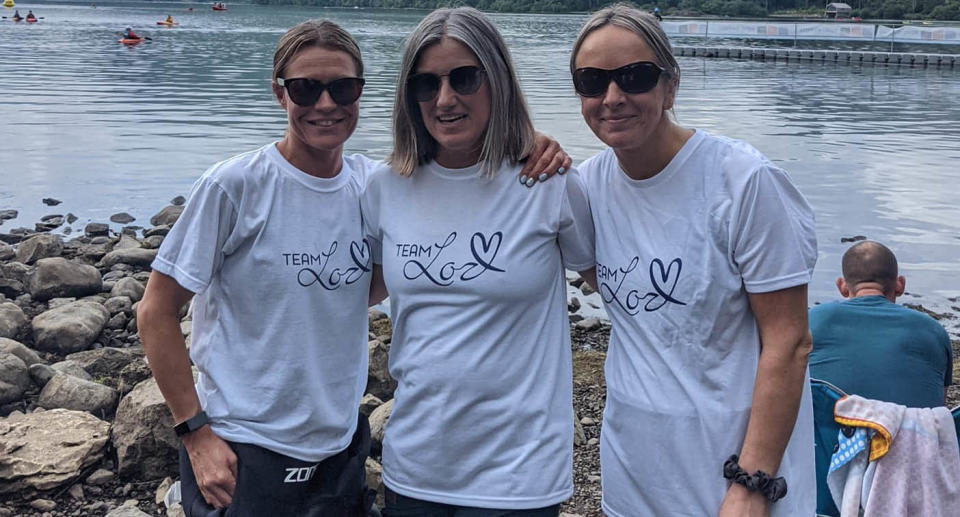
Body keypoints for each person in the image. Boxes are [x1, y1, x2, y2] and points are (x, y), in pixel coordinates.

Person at [137, 17, 567, 517]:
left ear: (361, 93)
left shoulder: (374, 186)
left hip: (338, 447)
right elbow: (155, 312)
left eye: (343, 87)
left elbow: (389, 270)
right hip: (244, 446)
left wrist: (525, 142)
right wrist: (195, 433)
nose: (325, 104)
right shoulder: (233, 186)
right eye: (305, 89)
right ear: (281, 95)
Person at [570, 5, 817, 517]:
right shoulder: (587, 187)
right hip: (632, 471)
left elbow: (789, 342)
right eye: (592, 82)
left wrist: (752, 484)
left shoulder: (743, 182)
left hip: (734, 476)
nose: (612, 98)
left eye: (634, 77)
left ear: (670, 86)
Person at [361, 7, 595, 515]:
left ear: (498, 80)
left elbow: (615, 288)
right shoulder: (384, 187)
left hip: (520, 475)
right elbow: (345, 289)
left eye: (464, 78)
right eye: (425, 84)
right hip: (416, 467)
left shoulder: (548, 183)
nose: (445, 99)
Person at [809, 240, 952, 408]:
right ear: (900, 285)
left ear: (842, 286)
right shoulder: (933, 331)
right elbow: (939, 403)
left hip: (829, 432)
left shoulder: (813, 320)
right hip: (914, 433)